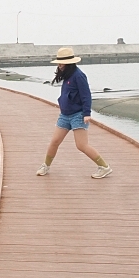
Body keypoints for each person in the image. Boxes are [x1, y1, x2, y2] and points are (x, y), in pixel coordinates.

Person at [35, 47, 112, 179]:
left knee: (81, 145)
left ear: (69, 63)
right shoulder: (67, 75)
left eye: (61, 63)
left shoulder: (78, 75)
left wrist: (87, 113)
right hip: (65, 115)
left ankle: (104, 167)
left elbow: (86, 95)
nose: (59, 66)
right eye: (58, 63)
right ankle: (46, 165)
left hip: (78, 115)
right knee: (54, 141)